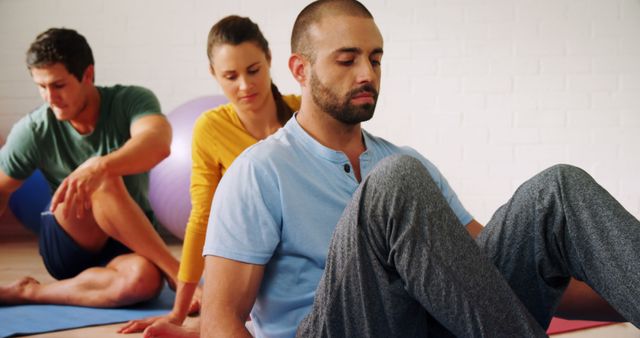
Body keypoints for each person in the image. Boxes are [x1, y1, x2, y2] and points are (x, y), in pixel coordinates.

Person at [200, 1, 640, 337]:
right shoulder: (259, 171)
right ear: (300, 69)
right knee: (397, 180)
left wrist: (617, 282)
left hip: (426, 324)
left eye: (375, 59)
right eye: (347, 59)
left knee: (556, 192)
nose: (367, 73)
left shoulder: (399, 159)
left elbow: (486, 278)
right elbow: (221, 317)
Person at [118, 16, 300, 337]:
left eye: (253, 70)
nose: (244, 85)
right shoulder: (211, 127)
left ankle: (210, 326)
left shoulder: (305, 113)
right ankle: (207, 325)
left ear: (270, 60)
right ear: (213, 74)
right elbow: (201, 217)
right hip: (251, 257)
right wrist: (177, 313)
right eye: (230, 76)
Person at [0, 28, 180, 308]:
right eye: (41, 86)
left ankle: (28, 292)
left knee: (143, 282)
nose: (50, 97)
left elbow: (157, 143)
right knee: (99, 178)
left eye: (58, 85)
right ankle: (178, 274)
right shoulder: (34, 129)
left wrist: (101, 164)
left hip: (129, 241)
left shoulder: (131, 101)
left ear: (88, 75)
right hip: (69, 241)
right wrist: (98, 171)